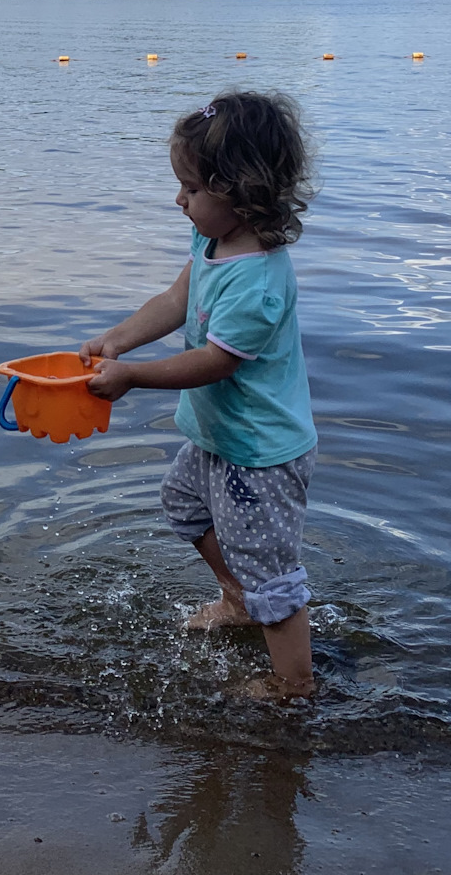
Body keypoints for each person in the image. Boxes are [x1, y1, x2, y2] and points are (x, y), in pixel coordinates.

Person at [82, 90, 318, 698]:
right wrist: (117, 341)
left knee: (270, 566)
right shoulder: (211, 242)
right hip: (221, 438)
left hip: (260, 453)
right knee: (184, 506)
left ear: (240, 190)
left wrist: (132, 379)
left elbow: (215, 362)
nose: (178, 200)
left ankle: (294, 682)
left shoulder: (259, 279)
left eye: (190, 189)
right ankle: (236, 599)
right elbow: (175, 300)